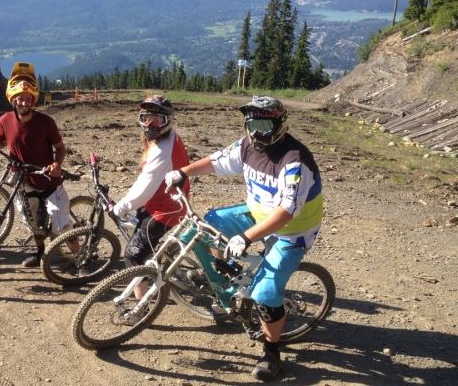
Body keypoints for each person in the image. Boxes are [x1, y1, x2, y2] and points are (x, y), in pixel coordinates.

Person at [165, 96, 323, 382]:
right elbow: (217, 162)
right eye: (252, 123)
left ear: (279, 124)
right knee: (210, 224)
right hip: (258, 213)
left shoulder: (295, 160)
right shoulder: (247, 145)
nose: (257, 131)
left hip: (292, 230)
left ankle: (272, 353)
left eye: (264, 123)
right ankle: (226, 286)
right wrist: (183, 172)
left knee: (265, 294)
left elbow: (287, 211)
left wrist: (245, 237)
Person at [0, 62, 71, 267]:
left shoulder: (46, 122)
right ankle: (39, 252)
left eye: (28, 98)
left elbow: (60, 148)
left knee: (61, 224)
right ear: (12, 98)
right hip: (23, 178)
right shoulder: (5, 119)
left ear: (33, 100)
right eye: (19, 98)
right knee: (31, 218)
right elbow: (2, 141)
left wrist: (57, 164)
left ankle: (79, 258)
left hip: (48, 179)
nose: (23, 101)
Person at [112, 95, 190, 297]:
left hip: (165, 210)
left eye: (158, 119)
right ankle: (152, 269)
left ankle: (142, 303)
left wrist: (120, 207)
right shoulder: (165, 138)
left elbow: (144, 187)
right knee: (145, 242)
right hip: (165, 201)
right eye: (146, 117)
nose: (150, 123)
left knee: (133, 255)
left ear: (167, 120)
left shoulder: (162, 150)